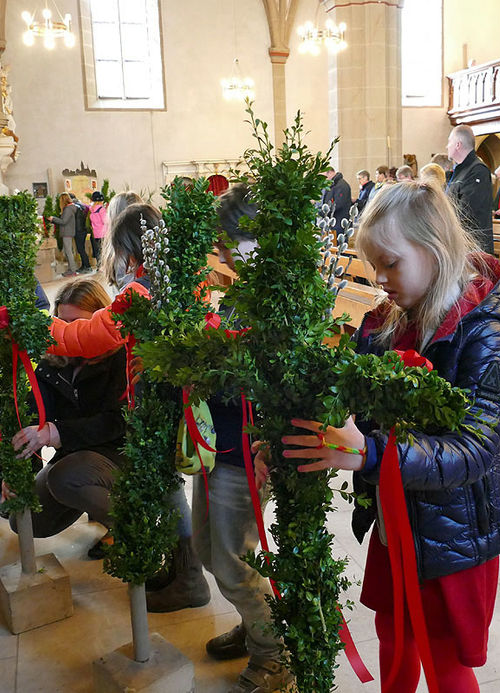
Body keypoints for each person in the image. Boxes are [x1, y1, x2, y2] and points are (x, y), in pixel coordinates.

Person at [272, 181, 500, 692]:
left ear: (433, 249)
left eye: (390, 263)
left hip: (454, 530)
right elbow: (343, 395)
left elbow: (472, 450)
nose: (379, 279)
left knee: (445, 661)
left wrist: (371, 452)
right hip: (394, 515)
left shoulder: (481, 334)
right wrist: (287, 434)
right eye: (373, 265)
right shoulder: (384, 322)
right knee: (395, 637)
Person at [46, 205, 211, 613]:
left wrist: (37, 326)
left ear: (130, 252)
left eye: (116, 253)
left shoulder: (140, 291)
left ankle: (188, 578)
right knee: (172, 489)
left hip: (156, 409)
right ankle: (182, 572)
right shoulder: (186, 282)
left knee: (171, 493)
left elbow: (87, 337)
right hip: (175, 406)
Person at [198, 183, 294, 693]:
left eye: (232, 242)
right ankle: (257, 625)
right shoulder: (240, 291)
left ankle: (273, 656)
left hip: (244, 453)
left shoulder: (277, 301)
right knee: (212, 550)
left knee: (234, 562)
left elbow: (273, 384)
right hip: (217, 447)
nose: (226, 253)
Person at [6, 279, 126, 550]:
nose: (70, 333)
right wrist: (16, 471)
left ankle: (132, 525)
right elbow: (31, 413)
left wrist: (55, 432)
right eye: (62, 323)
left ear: (101, 320)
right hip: (76, 453)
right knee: (24, 518)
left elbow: (118, 422)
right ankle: (96, 504)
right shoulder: (54, 358)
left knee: (65, 477)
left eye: (79, 324)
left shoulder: (121, 357)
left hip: (120, 455)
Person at [446, 124, 494, 253]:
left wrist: (443, 222)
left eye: (450, 142)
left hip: (473, 246)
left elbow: (468, 211)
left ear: (458, 145)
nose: (447, 146)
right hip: (458, 243)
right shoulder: (458, 171)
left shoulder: (477, 171)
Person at [50, 192, 78, 277]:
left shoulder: (68, 209)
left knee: (68, 252)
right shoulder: (70, 208)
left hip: (67, 232)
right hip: (68, 232)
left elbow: (63, 221)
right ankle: (71, 269)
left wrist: (53, 219)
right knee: (67, 252)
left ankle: (72, 270)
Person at [69, 193, 92, 273]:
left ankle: (88, 266)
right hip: (83, 229)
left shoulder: (74, 206)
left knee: (81, 249)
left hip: (78, 230)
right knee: (81, 249)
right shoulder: (82, 205)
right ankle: (84, 265)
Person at [88, 191, 107, 265]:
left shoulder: (92, 210)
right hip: (104, 233)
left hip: (96, 234)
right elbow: (105, 221)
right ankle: (104, 266)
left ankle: (99, 265)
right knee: (104, 251)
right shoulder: (101, 210)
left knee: (98, 251)